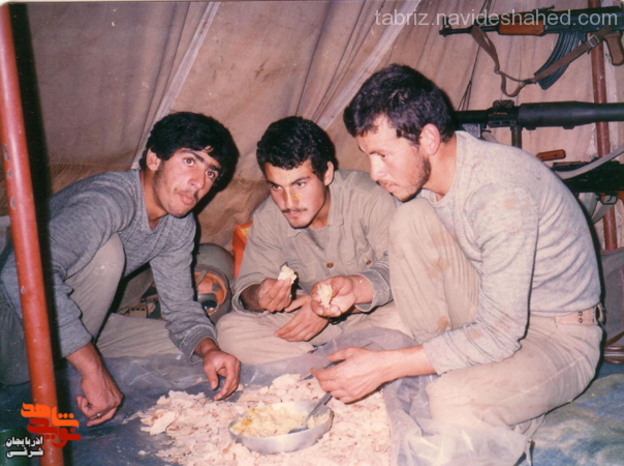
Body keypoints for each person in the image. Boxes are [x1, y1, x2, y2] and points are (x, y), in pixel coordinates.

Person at [311, 65, 602, 451]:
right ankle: (462, 375)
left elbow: (499, 334)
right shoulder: (438, 172)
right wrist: (359, 286)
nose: (374, 173)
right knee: (410, 219)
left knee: (451, 401)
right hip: (493, 306)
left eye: (382, 155)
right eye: (369, 157)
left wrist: (387, 366)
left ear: (428, 138)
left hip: (558, 336)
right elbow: (408, 258)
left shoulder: (498, 195)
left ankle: (498, 404)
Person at [0, 112, 241, 426]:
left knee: (201, 351)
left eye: (211, 172)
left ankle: (77, 356)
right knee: (108, 254)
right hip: (13, 334)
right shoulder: (108, 200)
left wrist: (208, 350)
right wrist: (93, 369)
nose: (199, 182)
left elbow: (181, 308)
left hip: (80, 325)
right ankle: (79, 364)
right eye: (189, 161)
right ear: (154, 159)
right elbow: (20, 273)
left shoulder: (179, 223)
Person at [216, 116, 407, 364]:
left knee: (406, 317)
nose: (289, 202)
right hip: (308, 321)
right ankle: (326, 366)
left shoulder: (368, 198)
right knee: (230, 330)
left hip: (369, 316)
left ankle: (316, 367)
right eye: (276, 187)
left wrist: (334, 306)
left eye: (299, 184)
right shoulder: (268, 218)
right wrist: (259, 295)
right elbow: (247, 288)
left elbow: (402, 269)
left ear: (326, 174)